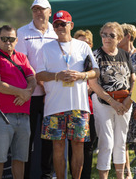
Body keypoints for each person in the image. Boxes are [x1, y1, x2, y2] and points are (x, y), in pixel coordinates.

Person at [36, 10, 99, 179]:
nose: (59, 27)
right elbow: (39, 75)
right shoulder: (46, 48)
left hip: (79, 105)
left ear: (71, 25)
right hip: (54, 106)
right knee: (57, 147)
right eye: (56, 24)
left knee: (78, 145)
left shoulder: (83, 46)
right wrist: (57, 76)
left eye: (63, 24)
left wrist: (81, 75)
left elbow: (96, 72)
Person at [0, 25, 36, 179]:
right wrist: (22, 92)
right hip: (2, 116)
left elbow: (32, 79)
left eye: (11, 39)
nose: (8, 42)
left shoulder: (22, 57)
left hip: (24, 116)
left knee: (20, 159)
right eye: (4, 39)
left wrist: (28, 93)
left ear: (16, 41)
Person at [15, 0, 57, 179]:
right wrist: (41, 83)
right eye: (35, 10)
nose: (39, 13)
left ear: (50, 12)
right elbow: (22, 64)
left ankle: (47, 175)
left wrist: (50, 88)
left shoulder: (57, 32)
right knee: (27, 140)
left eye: (42, 10)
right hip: (30, 95)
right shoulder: (23, 32)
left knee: (50, 139)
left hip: (53, 96)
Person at [89, 22, 135, 179]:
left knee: (121, 143)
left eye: (111, 35)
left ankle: (121, 177)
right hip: (103, 103)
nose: (107, 38)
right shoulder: (95, 55)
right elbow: (93, 84)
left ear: (120, 38)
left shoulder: (125, 55)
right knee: (106, 143)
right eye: (104, 34)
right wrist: (113, 102)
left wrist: (129, 99)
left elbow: (133, 79)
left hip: (124, 103)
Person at [68, 29, 97, 179]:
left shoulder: (95, 59)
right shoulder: (70, 57)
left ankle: (86, 176)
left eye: (85, 42)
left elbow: (99, 80)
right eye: (79, 42)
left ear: (90, 44)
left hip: (91, 108)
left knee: (88, 146)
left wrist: (90, 88)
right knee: (73, 147)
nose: (82, 45)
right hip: (72, 107)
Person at [118, 23, 136, 179]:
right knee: (123, 138)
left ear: (128, 36)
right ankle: (128, 173)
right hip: (122, 102)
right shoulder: (117, 55)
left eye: (119, 36)